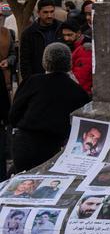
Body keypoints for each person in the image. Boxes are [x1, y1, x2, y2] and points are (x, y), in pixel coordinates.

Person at [9, 43, 90, 172]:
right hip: (54, 146)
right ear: (69, 63)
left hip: (25, 142)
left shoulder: (32, 81)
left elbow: (14, 113)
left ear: (45, 62)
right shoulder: (77, 90)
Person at [19, 0, 63, 81]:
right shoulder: (29, 33)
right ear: (38, 13)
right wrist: (29, 82)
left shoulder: (62, 28)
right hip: (38, 77)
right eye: (45, 12)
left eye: (52, 12)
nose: (49, 15)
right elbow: (25, 61)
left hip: (60, 77)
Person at [60, 17, 93, 95]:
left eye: (69, 35)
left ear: (78, 33)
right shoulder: (70, 45)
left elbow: (81, 78)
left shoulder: (86, 49)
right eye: (64, 35)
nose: (66, 38)